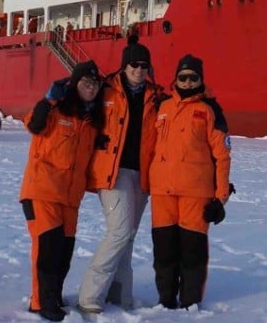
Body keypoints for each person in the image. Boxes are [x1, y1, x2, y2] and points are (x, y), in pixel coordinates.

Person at [77, 35, 166, 314]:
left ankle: (119, 295)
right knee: (120, 231)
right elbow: (76, 105)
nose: (139, 70)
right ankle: (90, 295)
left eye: (144, 65)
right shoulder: (105, 91)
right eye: (133, 65)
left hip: (142, 174)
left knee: (127, 237)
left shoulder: (157, 97)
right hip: (112, 172)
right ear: (123, 66)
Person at [19, 60, 104, 322]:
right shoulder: (56, 111)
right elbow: (33, 125)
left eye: (95, 84)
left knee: (65, 251)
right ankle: (40, 303)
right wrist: (47, 101)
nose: (91, 88)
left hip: (70, 197)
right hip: (43, 191)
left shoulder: (90, 123)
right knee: (48, 249)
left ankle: (53, 295)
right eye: (85, 82)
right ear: (74, 84)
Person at [148, 54, 232, 310]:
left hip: (196, 193)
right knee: (164, 252)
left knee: (192, 251)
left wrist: (220, 197)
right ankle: (165, 300)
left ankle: (190, 302)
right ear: (175, 79)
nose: (187, 82)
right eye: (182, 77)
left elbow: (222, 155)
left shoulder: (209, 111)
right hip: (162, 192)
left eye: (192, 77)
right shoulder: (162, 107)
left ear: (200, 80)